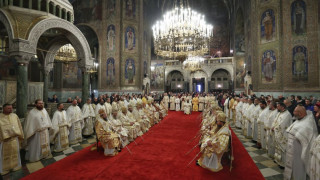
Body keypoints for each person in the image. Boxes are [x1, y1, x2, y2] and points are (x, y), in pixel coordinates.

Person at [284, 105, 318, 180]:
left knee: (298, 169)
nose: (293, 113)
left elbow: (307, 141)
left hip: (299, 152)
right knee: (292, 168)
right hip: (292, 150)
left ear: (300, 113)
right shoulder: (299, 119)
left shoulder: (307, 124)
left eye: (295, 111)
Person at [0, 104, 24, 175]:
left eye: (11, 108)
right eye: (8, 108)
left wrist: (21, 135)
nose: (11, 109)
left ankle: (15, 166)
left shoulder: (14, 116)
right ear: (3, 109)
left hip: (14, 139)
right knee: (3, 155)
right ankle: (4, 169)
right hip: (4, 141)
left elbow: (19, 126)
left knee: (15, 152)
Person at [272, 102, 292, 167]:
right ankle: (277, 159)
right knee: (277, 147)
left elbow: (282, 125)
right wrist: (273, 126)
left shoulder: (287, 114)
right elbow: (275, 121)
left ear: (282, 107)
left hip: (283, 134)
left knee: (283, 148)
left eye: (278, 106)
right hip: (278, 132)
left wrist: (274, 128)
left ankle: (283, 163)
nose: (277, 107)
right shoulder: (280, 113)